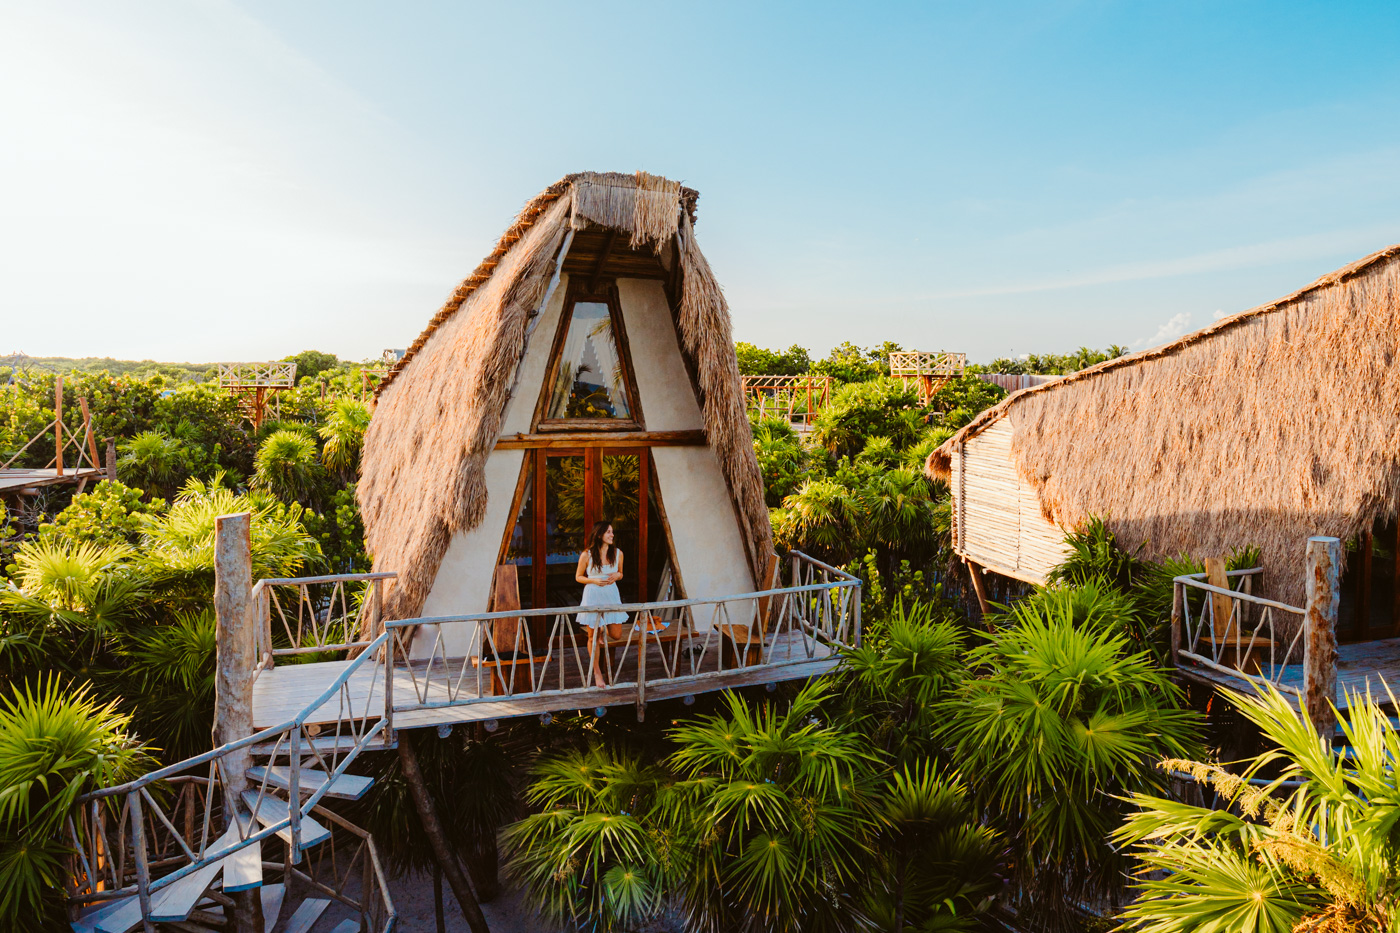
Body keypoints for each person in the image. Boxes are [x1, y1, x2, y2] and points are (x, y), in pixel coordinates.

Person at [575, 521, 625, 689]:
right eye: (608, 532)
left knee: (617, 635)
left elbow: (621, 574)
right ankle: (597, 672)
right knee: (592, 637)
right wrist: (593, 580)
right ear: (599, 535)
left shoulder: (618, 553)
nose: (612, 535)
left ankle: (603, 629)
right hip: (593, 596)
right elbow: (578, 577)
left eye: (612, 532)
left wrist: (617, 575)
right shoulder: (587, 555)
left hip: (611, 596)